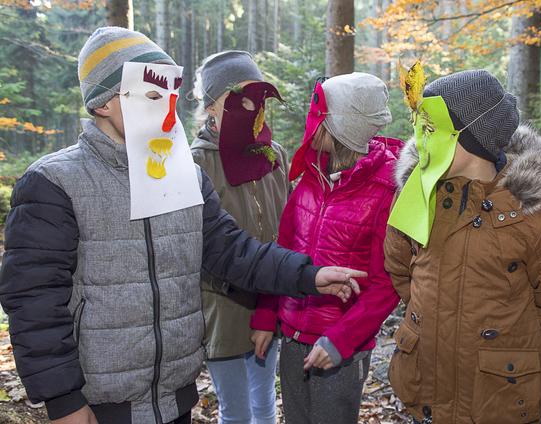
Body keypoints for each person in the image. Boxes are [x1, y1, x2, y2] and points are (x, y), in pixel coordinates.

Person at [0, 27, 362, 424]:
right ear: (104, 102)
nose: (167, 110)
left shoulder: (182, 175)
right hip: (100, 406)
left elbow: (231, 250)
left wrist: (309, 275)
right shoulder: (55, 183)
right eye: (153, 96)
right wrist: (63, 399)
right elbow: (34, 301)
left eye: (171, 95)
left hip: (175, 400)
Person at [383, 68, 541, 424]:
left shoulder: (533, 210)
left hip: (497, 400)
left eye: (434, 127)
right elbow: (400, 269)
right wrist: (429, 321)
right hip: (426, 392)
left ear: (474, 137)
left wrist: (510, 353)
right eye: (420, 125)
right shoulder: (417, 192)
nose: (421, 137)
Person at [251, 72, 401, 424]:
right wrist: (264, 315)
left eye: (319, 114)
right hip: (292, 336)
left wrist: (340, 340)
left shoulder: (386, 189)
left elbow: (387, 283)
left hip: (341, 348)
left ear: (343, 126)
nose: (310, 121)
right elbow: (283, 253)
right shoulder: (311, 177)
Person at [191, 51, 288, 424]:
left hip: (270, 300)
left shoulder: (273, 154)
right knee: (236, 409)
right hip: (224, 305)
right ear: (211, 106)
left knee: (264, 401)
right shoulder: (197, 162)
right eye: (239, 98)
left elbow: (285, 226)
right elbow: (197, 245)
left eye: (258, 97)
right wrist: (243, 288)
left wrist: (271, 293)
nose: (252, 107)